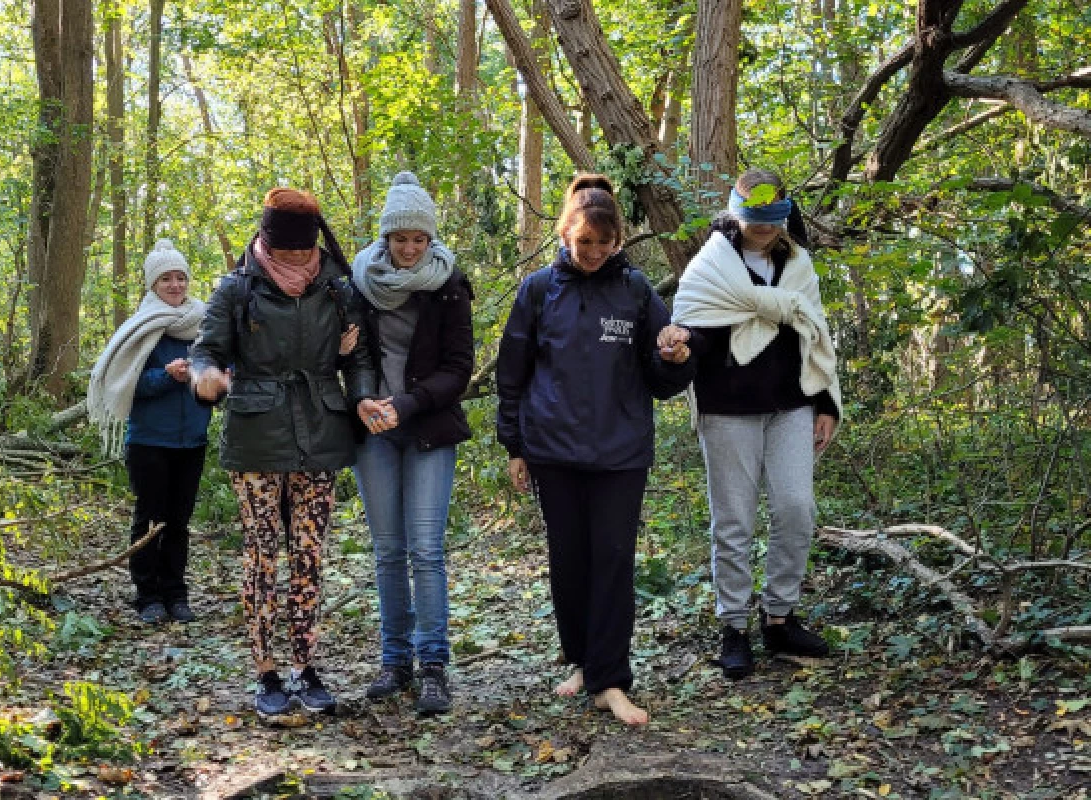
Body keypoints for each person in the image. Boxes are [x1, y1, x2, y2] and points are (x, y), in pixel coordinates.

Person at [496, 174, 695, 726]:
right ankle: (583, 662)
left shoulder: (635, 291)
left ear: (618, 243)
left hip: (619, 454)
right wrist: (514, 444)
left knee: (611, 562)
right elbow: (511, 374)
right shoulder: (538, 290)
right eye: (583, 242)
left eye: (603, 245)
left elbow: (663, 373)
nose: (592, 253)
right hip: (553, 453)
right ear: (565, 233)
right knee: (569, 563)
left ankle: (610, 681)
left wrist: (676, 357)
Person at [189, 188, 377, 720]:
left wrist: (362, 396)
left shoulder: (336, 289)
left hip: (321, 431)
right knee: (261, 553)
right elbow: (207, 349)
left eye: (304, 252)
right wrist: (205, 376)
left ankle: (305, 665)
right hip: (255, 433)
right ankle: (265, 671)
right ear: (268, 242)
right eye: (287, 252)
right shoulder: (236, 288)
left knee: (310, 553)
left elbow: (358, 355)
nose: (297, 261)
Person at [667, 168, 841, 680]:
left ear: (784, 215)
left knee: (795, 509)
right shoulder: (711, 266)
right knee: (734, 521)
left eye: (772, 219)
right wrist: (679, 345)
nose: (763, 229)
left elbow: (816, 333)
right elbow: (696, 327)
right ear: (736, 214)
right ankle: (734, 627)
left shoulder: (798, 264)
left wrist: (826, 402)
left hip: (792, 403)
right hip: (728, 405)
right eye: (754, 219)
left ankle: (780, 617)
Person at [350, 172, 474, 715]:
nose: (408, 248)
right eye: (400, 238)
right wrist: (364, 398)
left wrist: (408, 403)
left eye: (418, 239)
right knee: (386, 552)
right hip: (371, 430)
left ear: (430, 240)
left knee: (427, 552)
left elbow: (458, 369)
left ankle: (433, 667)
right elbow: (348, 358)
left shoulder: (449, 284)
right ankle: (393, 661)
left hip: (427, 429)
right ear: (385, 238)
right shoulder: (357, 282)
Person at [87, 239, 211, 625]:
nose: (175, 285)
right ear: (153, 285)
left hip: (192, 439)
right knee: (149, 519)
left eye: (180, 278)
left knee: (179, 521)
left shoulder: (204, 323)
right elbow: (123, 385)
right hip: (148, 441)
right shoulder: (139, 328)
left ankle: (177, 594)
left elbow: (217, 376)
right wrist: (166, 377)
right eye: (166, 280)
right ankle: (147, 596)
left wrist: (215, 380)